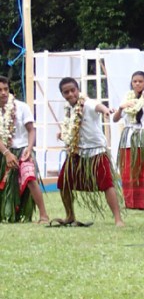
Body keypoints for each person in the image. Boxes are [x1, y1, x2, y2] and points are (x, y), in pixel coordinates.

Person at [54, 77, 124, 227]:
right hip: (76, 152)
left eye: (73, 90)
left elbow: (98, 106)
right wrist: (63, 133)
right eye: (66, 92)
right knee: (63, 182)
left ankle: (118, 219)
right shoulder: (68, 110)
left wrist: (106, 110)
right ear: (62, 94)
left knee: (107, 184)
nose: (71, 94)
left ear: (78, 90)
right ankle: (70, 215)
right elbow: (70, 128)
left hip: (96, 151)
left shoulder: (87, 103)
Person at [0, 76, 49, 223]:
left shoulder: (21, 107)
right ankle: (8, 214)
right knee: (6, 185)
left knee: (30, 178)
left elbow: (31, 130)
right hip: (4, 151)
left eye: (5, 89)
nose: (3, 93)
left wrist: (29, 148)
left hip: (23, 150)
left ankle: (44, 215)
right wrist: (7, 154)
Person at [113, 71, 144, 210]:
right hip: (129, 138)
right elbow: (115, 119)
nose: (137, 84)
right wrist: (121, 108)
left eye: (140, 81)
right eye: (134, 81)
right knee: (130, 170)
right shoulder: (127, 98)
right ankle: (130, 202)